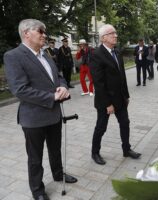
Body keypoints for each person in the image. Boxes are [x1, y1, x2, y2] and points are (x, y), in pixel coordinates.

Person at [3, 19, 77, 200]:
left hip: (54, 114)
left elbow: (58, 76)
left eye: (45, 31)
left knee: (55, 149)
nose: (45, 35)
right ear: (26, 33)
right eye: (41, 31)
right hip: (33, 118)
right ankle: (37, 190)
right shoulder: (13, 56)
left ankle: (58, 174)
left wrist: (63, 86)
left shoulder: (46, 55)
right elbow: (20, 89)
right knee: (35, 157)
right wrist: (51, 97)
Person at [89, 24, 141, 165]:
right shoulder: (96, 55)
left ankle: (126, 149)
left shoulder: (117, 52)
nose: (116, 36)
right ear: (104, 37)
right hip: (105, 100)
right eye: (112, 33)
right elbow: (98, 83)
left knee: (125, 123)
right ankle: (95, 152)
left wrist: (126, 95)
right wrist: (108, 104)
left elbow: (122, 76)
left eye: (115, 33)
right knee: (101, 127)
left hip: (120, 98)